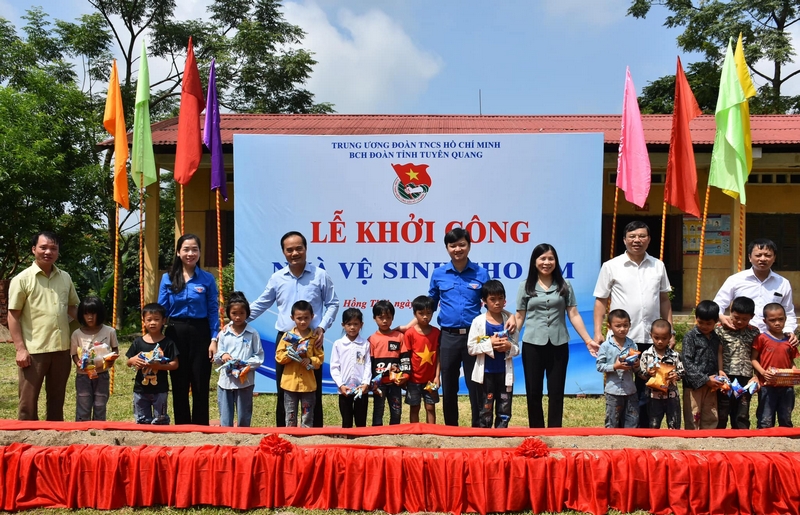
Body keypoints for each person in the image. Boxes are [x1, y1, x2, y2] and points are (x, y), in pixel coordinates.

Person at [425, 227, 515, 427]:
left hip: (475, 337)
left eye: (462, 245)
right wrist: (411, 325)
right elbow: (429, 304)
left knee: (476, 383)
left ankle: (478, 426)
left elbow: (493, 301)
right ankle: (451, 427)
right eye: (453, 245)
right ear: (447, 248)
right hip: (448, 336)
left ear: (469, 246)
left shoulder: (481, 273)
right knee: (449, 384)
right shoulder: (439, 274)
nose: (457, 249)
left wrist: (512, 317)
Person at [249, 231, 339, 427]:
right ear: (283, 252)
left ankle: (314, 432)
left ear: (306, 249)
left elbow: (333, 303)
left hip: (312, 339)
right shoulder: (277, 278)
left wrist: (322, 327)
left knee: (313, 389)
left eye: (299, 248)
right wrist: (236, 321)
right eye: (289, 250)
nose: (294, 253)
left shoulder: (320, 275)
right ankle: (283, 432)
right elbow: (261, 303)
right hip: (286, 341)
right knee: (284, 388)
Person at [593, 221, 673, 428]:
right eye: (632, 236)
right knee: (621, 387)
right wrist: (597, 332)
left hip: (651, 338)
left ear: (649, 239)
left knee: (649, 385)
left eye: (642, 236)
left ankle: (645, 430)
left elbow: (664, 299)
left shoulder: (658, 265)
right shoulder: (611, 266)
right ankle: (619, 430)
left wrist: (670, 331)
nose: (637, 240)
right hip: (622, 340)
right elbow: (601, 300)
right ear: (624, 240)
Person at [515, 243, 594, 428]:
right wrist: (510, 342)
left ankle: (555, 431)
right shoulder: (525, 286)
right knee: (533, 391)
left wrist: (588, 340)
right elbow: (519, 316)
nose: (546, 262)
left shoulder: (565, 285)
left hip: (559, 344)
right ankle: (536, 431)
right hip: (532, 344)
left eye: (550, 258)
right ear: (534, 261)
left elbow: (574, 314)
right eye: (542, 258)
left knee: (556, 391)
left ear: (556, 261)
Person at [7, 231, 80, 421]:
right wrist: (20, 349)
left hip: (62, 349)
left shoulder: (65, 277)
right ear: (34, 249)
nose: (48, 252)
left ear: (58, 251)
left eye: (53, 248)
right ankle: (26, 438)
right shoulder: (22, 279)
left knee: (57, 400)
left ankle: (55, 437)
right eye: (43, 247)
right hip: (34, 350)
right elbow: (13, 316)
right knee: (27, 403)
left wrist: (95, 327)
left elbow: (73, 308)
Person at [158, 234, 219, 426]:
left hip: (201, 332)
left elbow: (213, 310)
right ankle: (182, 426)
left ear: (199, 252)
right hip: (175, 332)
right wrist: (157, 340)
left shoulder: (207, 279)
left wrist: (214, 339)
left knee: (200, 381)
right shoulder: (167, 278)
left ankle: (201, 426)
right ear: (178, 252)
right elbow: (161, 310)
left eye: (194, 249)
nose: (190, 253)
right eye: (186, 249)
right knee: (179, 381)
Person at [714, 239, 797, 336]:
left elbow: (788, 312)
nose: (763, 259)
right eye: (758, 255)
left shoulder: (783, 283)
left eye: (768, 255)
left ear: (774, 258)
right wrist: (721, 317)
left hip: (771, 337)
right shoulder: (735, 280)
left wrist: (788, 331)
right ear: (750, 257)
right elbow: (718, 304)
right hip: (740, 336)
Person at [468, 280, 519, 429]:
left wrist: (509, 347)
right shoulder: (478, 322)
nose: (497, 302)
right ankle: (485, 436)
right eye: (492, 299)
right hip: (485, 374)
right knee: (485, 408)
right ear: (484, 301)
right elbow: (471, 347)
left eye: (500, 298)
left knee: (504, 407)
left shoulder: (510, 323)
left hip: (504, 373)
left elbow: (517, 348)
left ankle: (501, 434)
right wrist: (489, 343)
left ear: (505, 299)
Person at [213, 292, 264, 428]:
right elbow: (217, 356)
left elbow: (259, 356)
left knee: (244, 416)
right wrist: (223, 356)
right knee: (225, 418)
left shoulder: (253, 333)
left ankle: (244, 438)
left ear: (247, 313)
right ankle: (226, 438)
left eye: (241, 313)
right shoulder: (224, 333)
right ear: (229, 314)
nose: (238, 317)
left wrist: (245, 365)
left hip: (245, 382)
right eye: (234, 313)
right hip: (226, 382)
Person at [125, 303, 179, 425]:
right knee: (142, 419)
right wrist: (133, 360)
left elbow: (175, 364)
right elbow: (128, 362)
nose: (152, 323)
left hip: (160, 389)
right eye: (149, 320)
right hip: (140, 388)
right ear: (143, 321)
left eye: (156, 319)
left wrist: (159, 366)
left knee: (160, 419)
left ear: (163, 321)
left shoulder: (168, 343)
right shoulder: (138, 342)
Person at [70, 296, 119, 421]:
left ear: (100, 313)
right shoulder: (77, 334)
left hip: (102, 375)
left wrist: (111, 360)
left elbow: (115, 349)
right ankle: (82, 429)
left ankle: (98, 429)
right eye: (86, 314)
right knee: (83, 404)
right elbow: (74, 354)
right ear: (81, 315)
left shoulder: (110, 331)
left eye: (93, 313)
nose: (90, 317)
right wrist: (78, 363)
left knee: (100, 404)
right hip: (83, 376)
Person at [275, 300, 323, 427]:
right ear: (292, 318)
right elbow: (279, 357)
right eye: (299, 318)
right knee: (290, 416)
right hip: (290, 384)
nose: (303, 321)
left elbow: (320, 359)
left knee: (307, 416)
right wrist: (290, 353)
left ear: (312, 317)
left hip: (308, 385)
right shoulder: (287, 337)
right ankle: (290, 436)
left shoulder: (314, 338)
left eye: (306, 318)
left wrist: (310, 360)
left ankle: (306, 436)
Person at [716, 296, 760, 429]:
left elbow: (756, 355)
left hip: (745, 377)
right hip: (726, 376)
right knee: (723, 409)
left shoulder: (754, 332)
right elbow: (719, 352)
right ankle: (719, 435)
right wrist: (720, 370)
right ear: (730, 311)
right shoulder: (720, 330)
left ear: (752, 317)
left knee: (742, 411)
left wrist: (756, 376)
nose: (740, 321)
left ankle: (742, 435)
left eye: (744, 319)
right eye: (736, 317)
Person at [752, 303, 799, 428]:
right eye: (772, 320)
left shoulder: (789, 341)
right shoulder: (762, 338)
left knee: (786, 417)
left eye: (781, 319)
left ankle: (786, 438)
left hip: (786, 385)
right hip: (767, 385)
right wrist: (763, 373)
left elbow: (791, 361)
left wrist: (794, 372)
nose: (777, 323)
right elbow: (753, 359)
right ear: (765, 321)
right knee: (765, 418)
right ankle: (764, 438)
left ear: (785, 319)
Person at [682, 300, 725, 430]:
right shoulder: (690, 337)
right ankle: (693, 439)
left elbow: (718, 356)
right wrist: (705, 379)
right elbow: (687, 363)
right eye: (700, 322)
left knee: (710, 414)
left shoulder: (716, 337)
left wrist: (718, 374)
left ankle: (708, 438)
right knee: (693, 415)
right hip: (694, 385)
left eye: (708, 323)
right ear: (696, 319)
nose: (704, 326)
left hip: (712, 384)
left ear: (716, 321)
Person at [595, 309, 639, 428]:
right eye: (618, 326)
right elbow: (599, 366)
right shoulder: (605, 346)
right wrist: (615, 367)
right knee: (612, 421)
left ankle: (630, 439)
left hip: (630, 390)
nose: (622, 329)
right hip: (613, 391)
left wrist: (636, 364)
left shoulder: (632, 345)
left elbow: (636, 370)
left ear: (630, 325)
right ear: (610, 326)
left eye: (625, 325)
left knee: (632, 421)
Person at [329, 308, 372, 428]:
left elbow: (367, 365)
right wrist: (341, 385)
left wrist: (365, 383)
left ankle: (361, 439)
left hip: (361, 389)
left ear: (361, 325)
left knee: (361, 420)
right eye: (349, 324)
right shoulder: (338, 344)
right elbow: (334, 367)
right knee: (346, 420)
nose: (352, 327)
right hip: (344, 389)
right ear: (343, 325)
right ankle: (347, 438)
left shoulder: (365, 344)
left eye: (356, 324)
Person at [369, 300, 409, 426]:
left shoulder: (399, 337)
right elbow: (369, 364)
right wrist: (372, 383)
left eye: (388, 317)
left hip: (395, 383)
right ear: (374, 318)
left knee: (396, 411)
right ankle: (376, 433)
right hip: (379, 384)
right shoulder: (371, 339)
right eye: (381, 318)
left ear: (393, 318)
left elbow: (405, 358)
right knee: (378, 410)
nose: (385, 321)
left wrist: (405, 376)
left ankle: (394, 432)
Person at [639, 319, 684, 429]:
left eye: (664, 338)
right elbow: (640, 373)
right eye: (656, 338)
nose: (660, 341)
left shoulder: (675, 355)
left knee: (674, 424)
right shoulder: (646, 355)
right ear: (651, 335)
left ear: (670, 337)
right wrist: (648, 373)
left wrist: (676, 375)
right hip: (653, 397)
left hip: (671, 396)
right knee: (653, 425)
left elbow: (682, 371)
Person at [404, 296, 441, 424]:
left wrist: (437, 376)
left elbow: (438, 356)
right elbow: (406, 357)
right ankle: (415, 432)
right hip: (413, 380)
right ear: (415, 314)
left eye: (428, 313)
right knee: (414, 408)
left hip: (430, 380)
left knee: (430, 407)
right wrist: (406, 376)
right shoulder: (409, 333)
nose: (425, 317)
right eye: (421, 313)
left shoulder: (436, 332)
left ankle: (431, 432)